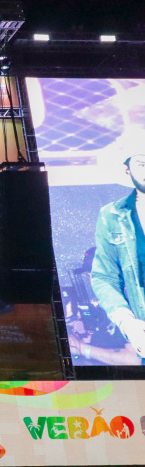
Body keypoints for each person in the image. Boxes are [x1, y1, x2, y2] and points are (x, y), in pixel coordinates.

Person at [91, 154, 145, 360]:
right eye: (141, 163)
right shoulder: (112, 215)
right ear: (127, 170)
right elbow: (105, 277)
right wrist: (127, 322)